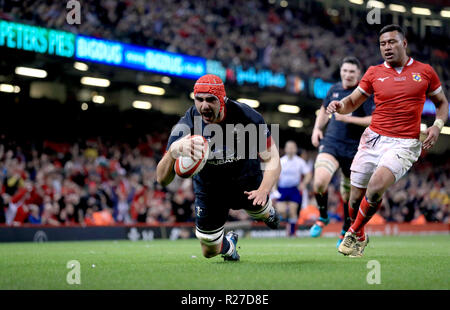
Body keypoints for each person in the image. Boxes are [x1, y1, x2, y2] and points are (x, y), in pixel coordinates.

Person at [327, 25, 448, 257]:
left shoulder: (425, 71)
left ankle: (351, 234)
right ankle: (361, 235)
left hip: (404, 142)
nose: (387, 48)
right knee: (354, 198)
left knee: (375, 186)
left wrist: (437, 126)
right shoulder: (373, 72)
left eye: (391, 42)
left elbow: (442, 103)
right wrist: (340, 105)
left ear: (404, 43)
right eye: (383, 44)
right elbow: (352, 101)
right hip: (373, 138)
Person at [156, 74, 281, 261]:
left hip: (245, 179)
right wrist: (173, 151)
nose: (204, 106)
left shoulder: (248, 117)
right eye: (199, 100)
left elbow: (273, 159)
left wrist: (264, 190)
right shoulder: (186, 126)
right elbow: (162, 179)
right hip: (210, 188)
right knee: (209, 250)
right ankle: (229, 246)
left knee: (259, 208)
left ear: (222, 99)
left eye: (210, 100)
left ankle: (266, 211)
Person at [309, 57, 374, 247]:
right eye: (345, 70)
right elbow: (323, 111)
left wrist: (348, 119)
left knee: (349, 197)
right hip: (331, 143)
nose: (347, 74)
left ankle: (346, 229)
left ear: (358, 74)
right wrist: (316, 129)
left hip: (354, 149)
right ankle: (322, 217)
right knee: (320, 181)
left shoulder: (364, 94)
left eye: (352, 72)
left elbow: (372, 119)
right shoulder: (333, 90)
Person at [275, 141, 312, 237]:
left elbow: (308, 174)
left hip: (294, 189)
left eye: (293, 148)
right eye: (289, 147)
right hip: (282, 188)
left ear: (295, 149)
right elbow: (274, 176)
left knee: (293, 210)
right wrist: (274, 189)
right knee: (281, 211)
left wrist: (303, 184)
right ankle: (287, 226)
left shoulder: (300, 162)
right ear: (286, 149)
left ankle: (292, 233)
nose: (291, 150)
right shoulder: (281, 161)